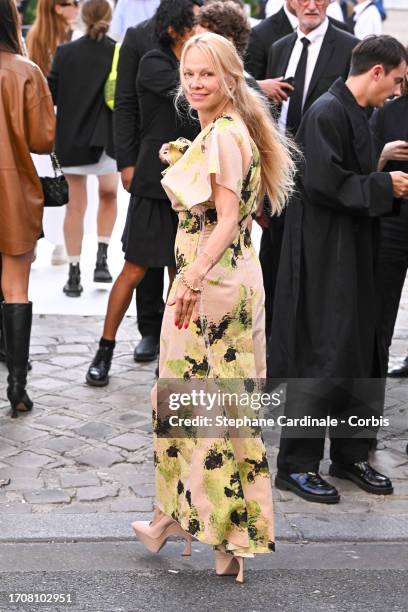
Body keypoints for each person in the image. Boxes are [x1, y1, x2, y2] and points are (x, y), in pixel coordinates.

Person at [130, 31, 296, 583]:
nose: (196, 83)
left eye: (207, 74)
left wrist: (191, 278)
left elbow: (227, 220)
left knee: (203, 408)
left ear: (230, 79)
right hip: (221, 283)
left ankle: (213, 530)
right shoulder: (222, 131)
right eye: (189, 75)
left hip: (211, 287)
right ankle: (188, 525)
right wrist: (179, 155)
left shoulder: (224, 135)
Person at [270, 35, 408, 503]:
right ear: (376, 72)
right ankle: (296, 464)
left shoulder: (355, 111)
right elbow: (327, 183)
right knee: (322, 353)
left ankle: (351, 455)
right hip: (326, 255)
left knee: (362, 350)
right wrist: (384, 183)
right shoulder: (327, 111)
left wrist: (380, 165)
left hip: (356, 251)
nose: (396, 91)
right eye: (395, 80)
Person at [86, 0, 199, 386]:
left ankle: (171, 351)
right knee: (135, 268)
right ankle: (105, 347)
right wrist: (126, 161)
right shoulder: (151, 56)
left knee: (178, 273)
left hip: (188, 184)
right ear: (176, 28)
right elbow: (128, 106)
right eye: (192, 23)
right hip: (153, 179)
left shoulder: (192, 55)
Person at [261, 0, 357, 362]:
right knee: (272, 269)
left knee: (311, 277)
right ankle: (273, 359)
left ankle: (308, 361)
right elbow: (267, 120)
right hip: (277, 182)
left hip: (320, 183)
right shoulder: (279, 48)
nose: (312, 4)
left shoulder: (348, 47)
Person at [114, 0, 203, 364]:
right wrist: (127, 160)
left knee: (177, 255)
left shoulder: (198, 27)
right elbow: (125, 102)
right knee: (144, 256)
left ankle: (171, 336)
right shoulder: (138, 36)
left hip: (190, 165)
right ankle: (149, 330)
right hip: (149, 161)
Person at [0, 0, 55, 418]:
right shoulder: (25, 70)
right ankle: (17, 385)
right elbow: (42, 140)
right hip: (13, 190)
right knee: (16, 286)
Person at [47, 0, 119, 297]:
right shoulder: (119, 52)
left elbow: (51, 92)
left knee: (75, 206)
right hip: (107, 138)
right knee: (109, 194)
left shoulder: (65, 53)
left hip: (72, 137)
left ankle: (74, 272)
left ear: (82, 17)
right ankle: (102, 257)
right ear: (108, 17)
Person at [26, 0, 81, 267]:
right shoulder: (63, 41)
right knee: (59, 182)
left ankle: (47, 241)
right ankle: (56, 243)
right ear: (58, 7)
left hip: (41, 119)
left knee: (42, 182)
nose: (77, 8)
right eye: (72, 3)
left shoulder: (33, 37)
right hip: (58, 120)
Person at [370, 75, 408, 378]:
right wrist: (384, 154)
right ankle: (375, 366)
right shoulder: (387, 111)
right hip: (393, 219)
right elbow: (366, 165)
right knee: (382, 301)